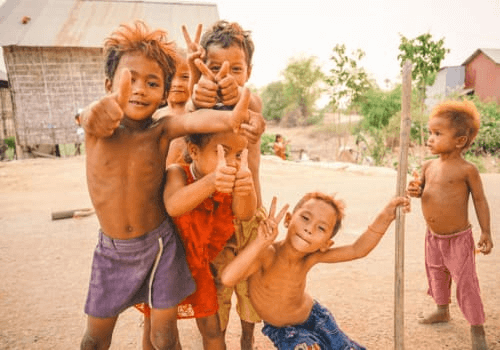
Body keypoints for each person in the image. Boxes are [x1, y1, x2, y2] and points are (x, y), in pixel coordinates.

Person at [79, 20, 254, 350]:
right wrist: (92, 112)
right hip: (112, 253)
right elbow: (91, 116)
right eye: (130, 80)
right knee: (95, 338)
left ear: (164, 91)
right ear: (108, 84)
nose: (141, 89)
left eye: (152, 82)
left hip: (160, 247)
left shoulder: (160, 130)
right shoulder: (98, 129)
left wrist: (231, 118)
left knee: (163, 336)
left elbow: (193, 120)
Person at [220, 193, 410, 350]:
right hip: (284, 330)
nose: (309, 229)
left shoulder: (311, 257)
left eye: (321, 228)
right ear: (288, 220)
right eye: (305, 218)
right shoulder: (267, 254)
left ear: (326, 244)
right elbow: (228, 278)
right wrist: (260, 242)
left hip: (317, 318)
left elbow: (357, 249)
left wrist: (387, 215)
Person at [186, 21, 266, 349]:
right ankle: (217, 339)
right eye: (215, 66)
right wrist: (195, 87)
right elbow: (189, 118)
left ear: (249, 70)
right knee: (216, 294)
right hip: (212, 218)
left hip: (247, 217)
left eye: (236, 68)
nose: (226, 75)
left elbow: (255, 115)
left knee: (249, 292)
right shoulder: (201, 103)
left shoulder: (252, 101)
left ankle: (248, 340)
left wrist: (242, 103)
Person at [407, 100, 493, 350]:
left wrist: (486, 231)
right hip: (433, 237)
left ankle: (477, 327)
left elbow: (480, 200)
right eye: (430, 132)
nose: (430, 138)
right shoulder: (427, 166)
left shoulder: (467, 170)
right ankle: (442, 310)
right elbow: (419, 191)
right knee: (436, 274)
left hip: (458, 238)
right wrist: (414, 190)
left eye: (437, 133)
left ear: (460, 141)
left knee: (466, 282)